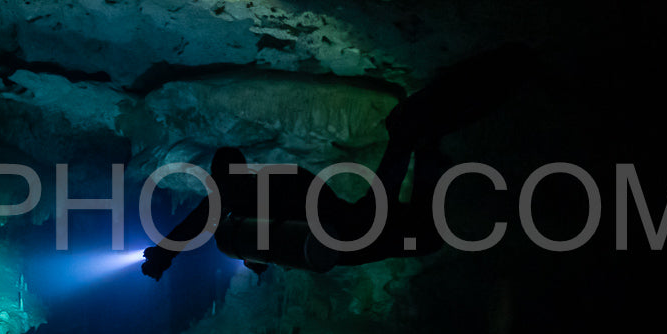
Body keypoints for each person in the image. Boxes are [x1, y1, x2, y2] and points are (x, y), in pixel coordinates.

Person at [141, 43, 538, 280]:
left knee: (422, 229)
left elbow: (216, 234)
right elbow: (202, 224)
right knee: (407, 181)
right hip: (350, 229)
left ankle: (426, 135)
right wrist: (163, 252)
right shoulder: (251, 194)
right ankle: (421, 132)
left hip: (347, 245)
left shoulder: (245, 206)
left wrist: (163, 253)